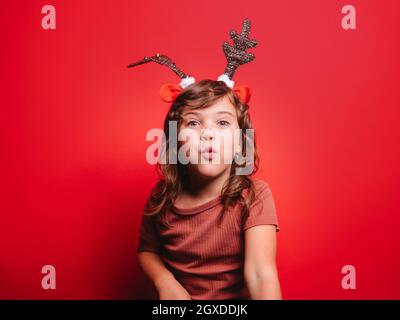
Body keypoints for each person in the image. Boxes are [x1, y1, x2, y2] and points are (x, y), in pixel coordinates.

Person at [129, 19, 282, 300]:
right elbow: (147, 250)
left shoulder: (254, 196)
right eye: (194, 124)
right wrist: (164, 280)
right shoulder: (161, 197)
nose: (208, 134)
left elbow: (261, 274)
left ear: (240, 141)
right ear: (175, 140)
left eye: (222, 124)